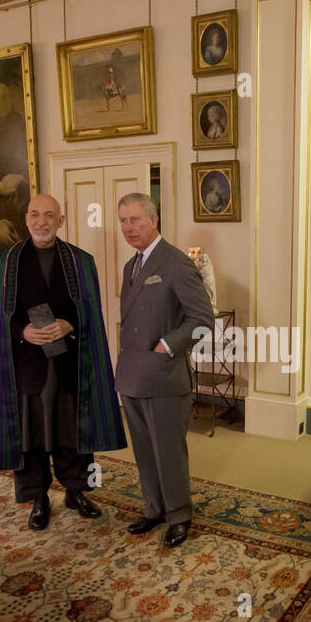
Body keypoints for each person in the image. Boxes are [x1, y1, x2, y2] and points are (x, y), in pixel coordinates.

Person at [0, 194, 125, 530]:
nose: (41, 221)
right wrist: (22, 331)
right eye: (34, 214)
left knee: (74, 432)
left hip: (71, 365)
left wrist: (70, 323)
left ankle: (77, 491)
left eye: (48, 215)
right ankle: (38, 498)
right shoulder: (5, 260)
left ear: (61, 220)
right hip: (25, 369)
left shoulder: (81, 261)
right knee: (30, 435)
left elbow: (89, 311)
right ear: (25, 219)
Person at [115, 193, 214, 548]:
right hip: (132, 375)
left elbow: (203, 321)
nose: (128, 228)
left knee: (168, 451)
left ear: (154, 220)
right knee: (143, 450)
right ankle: (154, 509)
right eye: (123, 220)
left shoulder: (175, 263)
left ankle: (179, 514)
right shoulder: (131, 266)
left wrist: (167, 345)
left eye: (135, 220)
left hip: (164, 375)